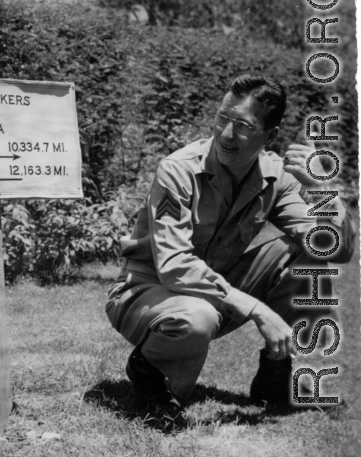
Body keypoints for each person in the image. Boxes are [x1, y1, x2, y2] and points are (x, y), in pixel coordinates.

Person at [106, 73, 354, 425]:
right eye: (223, 118)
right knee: (196, 317)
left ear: (269, 136)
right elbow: (174, 266)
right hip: (147, 291)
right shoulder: (178, 170)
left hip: (212, 294)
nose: (225, 133)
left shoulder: (277, 177)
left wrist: (323, 189)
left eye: (241, 125)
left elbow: (336, 250)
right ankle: (148, 369)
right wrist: (257, 309)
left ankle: (274, 374)